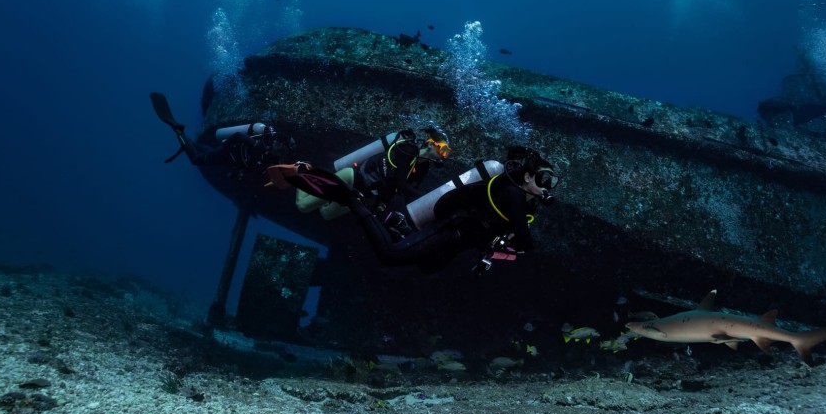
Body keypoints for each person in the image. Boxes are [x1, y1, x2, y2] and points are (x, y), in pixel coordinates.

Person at [351, 146, 558, 274]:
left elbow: (510, 231)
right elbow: (524, 235)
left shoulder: (528, 203)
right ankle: (352, 201)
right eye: (543, 180)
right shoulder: (513, 193)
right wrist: (522, 245)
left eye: (551, 182)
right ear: (527, 176)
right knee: (391, 255)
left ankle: (403, 228)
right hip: (451, 229)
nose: (546, 186)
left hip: (463, 240)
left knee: (428, 267)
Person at [295, 126, 452, 239]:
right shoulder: (409, 150)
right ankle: (302, 170)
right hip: (352, 177)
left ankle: (321, 188)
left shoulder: (422, 169)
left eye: (446, 153)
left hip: (360, 194)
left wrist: (380, 207)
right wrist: (426, 196)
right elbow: (400, 182)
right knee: (303, 206)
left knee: (325, 214)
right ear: (431, 144)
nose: (443, 156)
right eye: (443, 150)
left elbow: (401, 191)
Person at [150, 92, 295, 183]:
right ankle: (178, 130)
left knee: (208, 152)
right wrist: (228, 147)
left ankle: (189, 143)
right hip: (228, 152)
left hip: (230, 157)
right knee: (196, 160)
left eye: (284, 152)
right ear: (278, 144)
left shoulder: (269, 152)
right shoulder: (260, 145)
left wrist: (239, 170)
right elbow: (238, 136)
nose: (281, 154)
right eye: (281, 150)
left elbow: (254, 163)